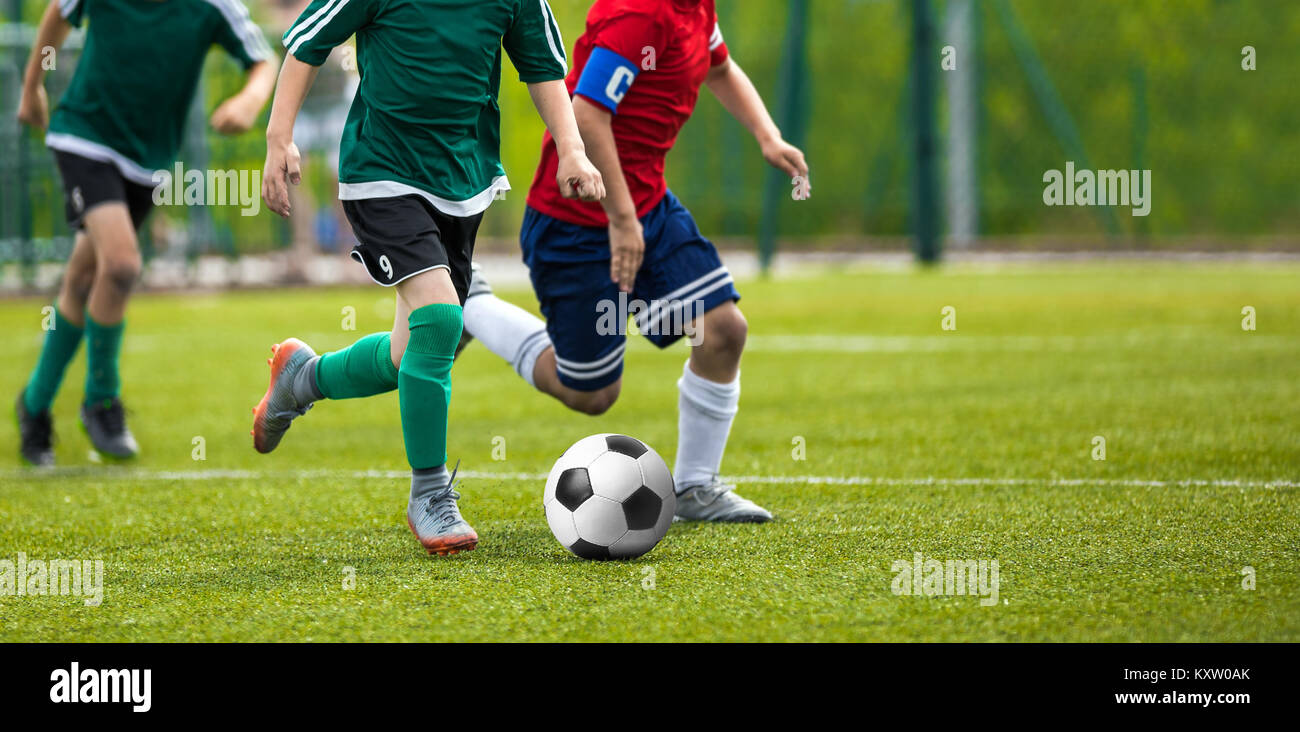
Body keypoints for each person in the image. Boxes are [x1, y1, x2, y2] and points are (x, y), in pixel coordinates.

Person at [253, 0, 604, 556]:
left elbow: (543, 67)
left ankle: (303, 379)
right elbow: (306, 43)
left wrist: (573, 151)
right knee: (442, 320)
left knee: (406, 357)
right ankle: (430, 494)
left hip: (465, 180)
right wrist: (279, 137)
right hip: (381, 173)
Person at [460, 0, 811, 522]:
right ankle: (471, 305)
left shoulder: (697, 8)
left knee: (722, 331)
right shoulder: (641, 13)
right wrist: (622, 221)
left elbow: (719, 66)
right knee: (592, 394)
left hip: (647, 207)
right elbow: (586, 113)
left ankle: (695, 487)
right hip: (575, 223)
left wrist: (767, 135)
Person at [15, 0, 276, 466]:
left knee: (81, 279)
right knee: (121, 265)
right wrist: (32, 88)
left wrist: (250, 99)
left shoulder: (213, 6)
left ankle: (33, 406)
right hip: (84, 136)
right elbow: (58, 11)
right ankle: (101, 400)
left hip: (145, 161)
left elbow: (263, 60)